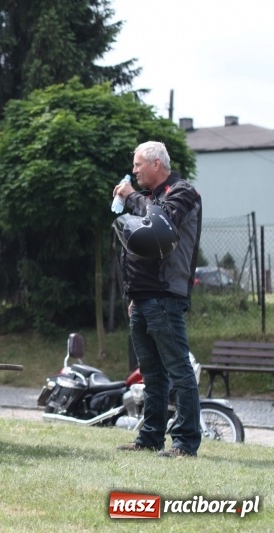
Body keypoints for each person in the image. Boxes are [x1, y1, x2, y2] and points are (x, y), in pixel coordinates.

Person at [113, 141, 202, 458]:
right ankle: (150, 437)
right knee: (151, 374)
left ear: (155, 164)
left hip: (165, 295)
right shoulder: (149, 197)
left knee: (179, 371)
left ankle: (185, 444)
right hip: (142, 296)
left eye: (137, 165)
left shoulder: (182, 192)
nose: (133, 170)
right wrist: (133, 293)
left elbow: (160, 225)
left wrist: (129, 196)